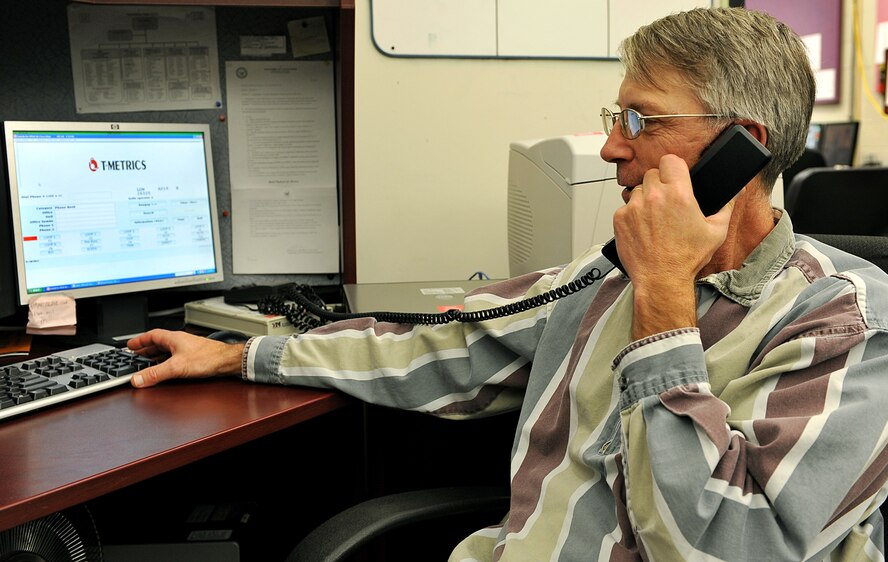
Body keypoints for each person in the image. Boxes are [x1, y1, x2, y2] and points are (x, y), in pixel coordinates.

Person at [127, 7, 888, 561]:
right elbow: (443, 344)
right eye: (614, 115)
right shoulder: (603, 280)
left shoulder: (845, 323)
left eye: (641, 119)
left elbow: (727, 546)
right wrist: (243, 357)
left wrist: (663, 307)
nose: (613, 147)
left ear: (740, 149)